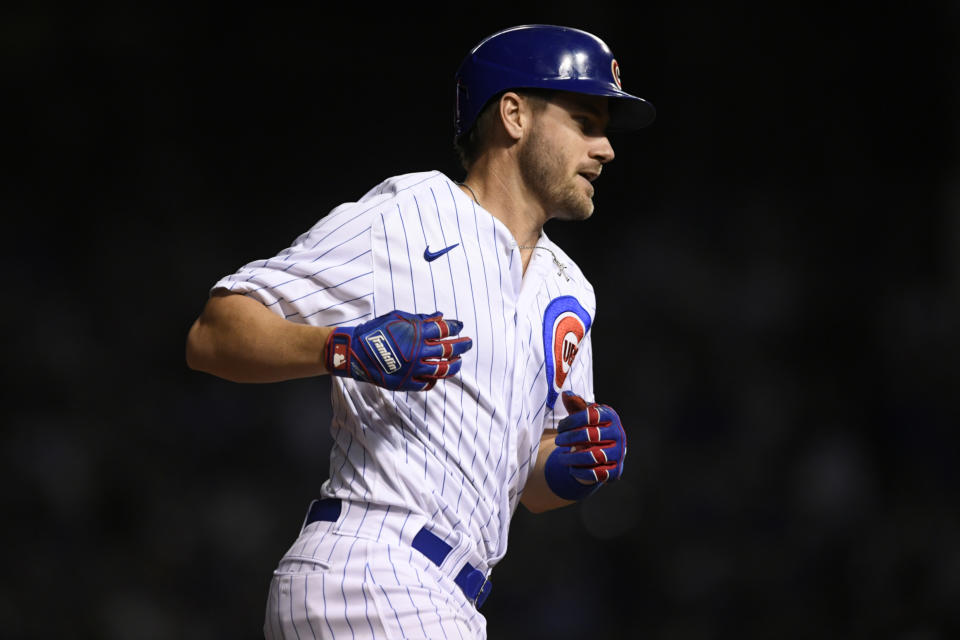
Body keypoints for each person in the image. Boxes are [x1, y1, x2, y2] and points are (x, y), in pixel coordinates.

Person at [185, 23, 655, 640]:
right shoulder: (410, 212)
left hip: (452, 597)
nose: (606, 148)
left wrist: (571, 467)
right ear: (514, 115)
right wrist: (343, 348)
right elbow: (214, 333)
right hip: (370, 568)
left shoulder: (571, 291)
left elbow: (532, 489)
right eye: (586, 122)